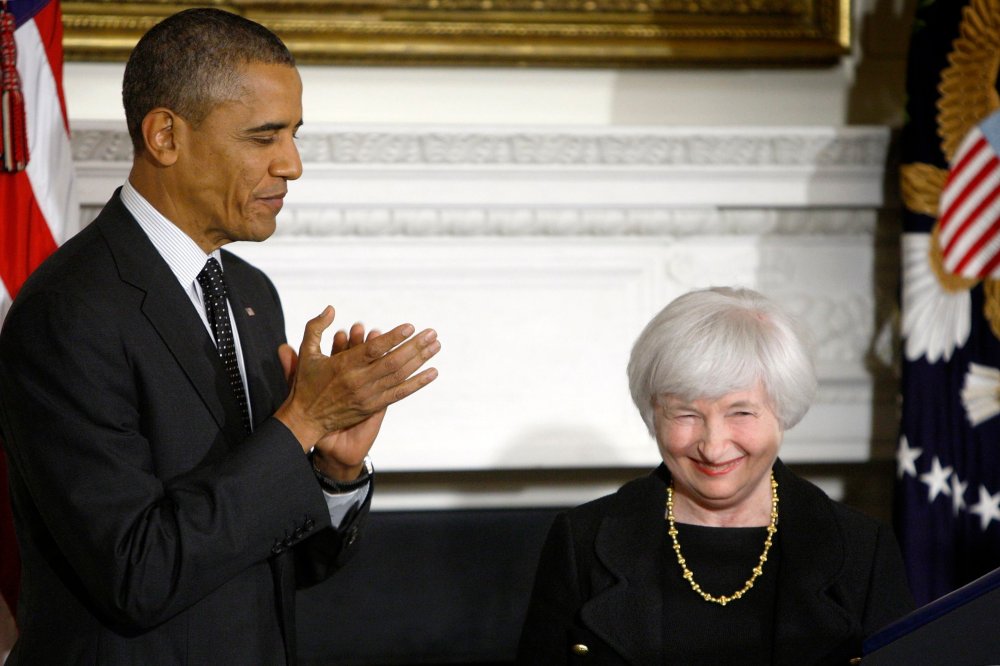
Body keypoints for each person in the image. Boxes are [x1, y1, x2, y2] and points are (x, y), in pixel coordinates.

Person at [0, 8, 441, 664]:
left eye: (294, 134)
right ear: (165, 136)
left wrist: (333, 466)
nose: (291, 164)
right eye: (264, 137)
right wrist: (299, 424)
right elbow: (137, 574)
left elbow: (281, 559)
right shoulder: (68, 312)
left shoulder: (251, 293)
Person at [517, 287, 913, 665]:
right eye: (686, 414)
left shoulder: (863, 549)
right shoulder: (580, 541)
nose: (713, 444)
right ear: (653, 413)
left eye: (740, 412)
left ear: (783, 410)